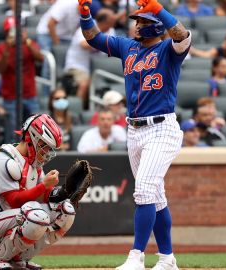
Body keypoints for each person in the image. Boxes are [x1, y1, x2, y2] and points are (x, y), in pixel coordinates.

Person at [78, 0, 190, 266]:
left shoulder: (168, 49)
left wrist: (158, 9)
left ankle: (136, 257)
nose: (136, 24)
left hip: (161, 128)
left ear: (156, 27)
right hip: (134, 130)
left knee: (143, 190)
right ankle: (167, 259)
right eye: (137, 20)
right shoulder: (128, 46)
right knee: (156, 197)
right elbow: (93, 38)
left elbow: (182, 35)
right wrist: (84, 14)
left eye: (142, 21)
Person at [0, 114, 77, 270]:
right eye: (45, 146)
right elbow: (14, 200)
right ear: (33, 139)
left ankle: (19, 259)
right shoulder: (5, 161)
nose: (48, 152)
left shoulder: (34, 164)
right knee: (35, 215)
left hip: (14, 216)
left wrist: (66, 191)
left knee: (65, 210)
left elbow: (47, 196)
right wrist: (43, 185)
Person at [0, 17, 44, 144]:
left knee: (36, 128)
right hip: (11, 96)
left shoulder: (29, 44)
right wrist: (7, 49)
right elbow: (0, 69)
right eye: (11, 32)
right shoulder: (1, 47)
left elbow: (40, 58)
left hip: (30, 94)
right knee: (13, 132)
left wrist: (26, 41)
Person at [63, 8, 116, 108]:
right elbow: (83, 44)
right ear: (105, 21)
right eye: (112, 18)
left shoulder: (111, 30)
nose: (115, 20)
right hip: (78, 66)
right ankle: (78, 111)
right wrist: (100, 43)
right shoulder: (88, 27)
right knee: (84, 84)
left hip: (99, 68)